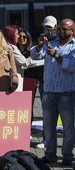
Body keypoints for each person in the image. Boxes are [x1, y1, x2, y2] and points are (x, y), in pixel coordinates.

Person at [30, 18, 75, 166]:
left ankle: (67, 156)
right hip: (49, 92)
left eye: (64, 29)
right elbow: (34, 56)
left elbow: (72, 66)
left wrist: (56, 55)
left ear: (72, 31)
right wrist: (39, 46)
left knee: (68, 128)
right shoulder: (52, 43)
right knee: (48, 128)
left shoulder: (73, 47)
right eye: (60, 29)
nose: (61, 31)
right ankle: (50, 155)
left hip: (66, 94)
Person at [33, 15, 58, 149]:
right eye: (45, 27)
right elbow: (34, 56)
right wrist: (39, 45)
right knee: (47, 115)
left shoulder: (62, 40)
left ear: (56, 27)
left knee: (65, 119)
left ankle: (65, 147)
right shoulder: (43, 41)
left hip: (63, 86)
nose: (47, 30)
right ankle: (46, 140)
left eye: (50, 28)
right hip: (46, 84)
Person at [2, 25, 44, 92]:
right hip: (14, 82)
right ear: (11, 35)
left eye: (24, 37)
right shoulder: (11, 48)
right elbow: (25, 63)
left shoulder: (4, 46)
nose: (19, 37)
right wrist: (44, 61)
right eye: (17, 34)